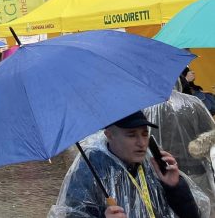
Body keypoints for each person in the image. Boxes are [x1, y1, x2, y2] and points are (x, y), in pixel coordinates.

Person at [49, 110, 207, 218]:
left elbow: (191, 215)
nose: (141, 143)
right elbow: (73, 213)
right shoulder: (90, 170)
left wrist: (175, 187)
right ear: (109, 135)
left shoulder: (155, 166)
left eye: (145, 134)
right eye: (131, 135)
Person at [144, 90, 215, 204]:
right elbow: (210, 134)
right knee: (204, 207)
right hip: (197, 170)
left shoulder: (145, 108)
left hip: (165, 172)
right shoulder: (194, 102)